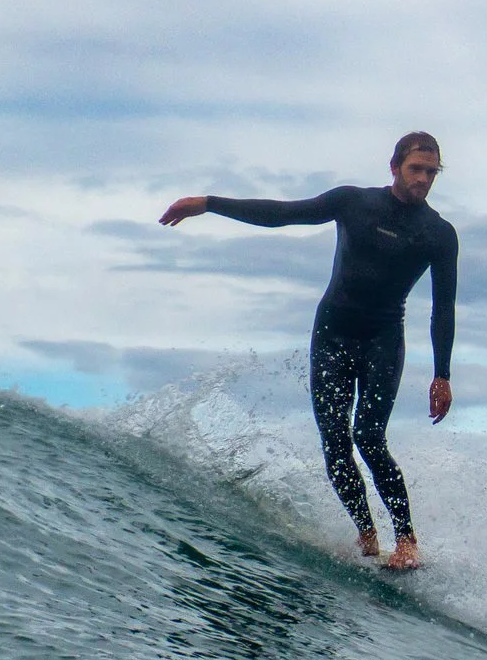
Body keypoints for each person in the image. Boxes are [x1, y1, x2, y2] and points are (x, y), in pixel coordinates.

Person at [160, 132, 458, 571]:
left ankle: (407, 539)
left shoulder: (438, 233)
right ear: (394, 167)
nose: (424, 179)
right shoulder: (353, 203)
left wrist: (442, 374)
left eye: (431, 172)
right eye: (417, 169)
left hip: (383, 340)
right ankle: (367, 535)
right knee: (335, 441)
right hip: (333, 333)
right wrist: (208, 203)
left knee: (369, 438)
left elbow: (443, 307)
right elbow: (283, 214)